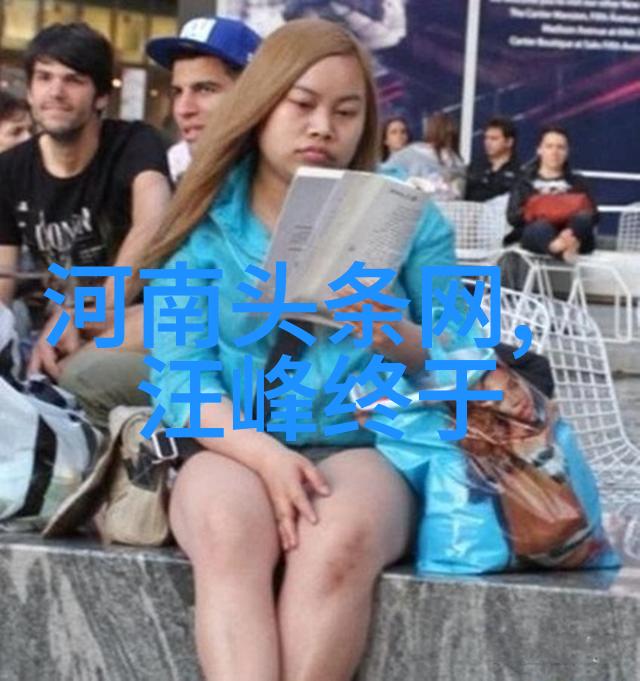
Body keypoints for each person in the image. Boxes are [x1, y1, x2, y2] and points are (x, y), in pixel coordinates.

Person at [142, 18, 458, 681]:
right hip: (229, 442)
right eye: (303, 104)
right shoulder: (201, 222)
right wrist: (265, 455)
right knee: (230, 528)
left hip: (366, 442)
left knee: (336, 540)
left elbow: (470, 353)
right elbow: (180, 378)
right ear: (261, 105)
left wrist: (393, 334)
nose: (323, 128)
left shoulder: (412, 219)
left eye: (346, 112)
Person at [0, 22, 172, 379]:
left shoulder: (135, 142)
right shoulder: (9, 169)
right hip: (56, 330)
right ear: (29, 91)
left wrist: (87, 314)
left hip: (143, 322)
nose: (56, 92)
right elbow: (2, 280)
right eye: (44, 77)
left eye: (73, 79)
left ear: (101, 96)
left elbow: (153, 222)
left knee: (81, 376)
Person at [146, 16, 261, 182]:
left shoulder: (284, 173)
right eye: (177, 92)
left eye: (205, 89)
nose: (183, 109)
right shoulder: (174, 164)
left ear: (252, 95)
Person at [506, 126, 598, 262]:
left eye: (560, 147)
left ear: (567, 152)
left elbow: (594, 216)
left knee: (583, 219)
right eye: (549, 146)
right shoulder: (524, 182)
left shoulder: (578, 182)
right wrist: (543, 208)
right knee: (539, 227)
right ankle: (561, 250)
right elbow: (513, 217)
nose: (555, 152)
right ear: (539, 150)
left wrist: (567, 233)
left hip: (573, 233)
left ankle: (562, 244)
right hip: (538, 235)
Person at [382, 111, 466, 199]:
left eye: (403, 132)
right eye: (394, 132)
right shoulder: (383, 168)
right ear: (385, 140)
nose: (400, 136)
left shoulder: (417, 153)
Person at [465, 116, 520, 202]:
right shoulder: (475, 167)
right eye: (486, 138)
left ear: (509, 142)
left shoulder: (518, 172)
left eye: (494, 139)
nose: (488, 142)